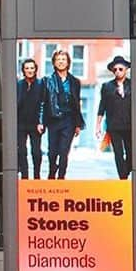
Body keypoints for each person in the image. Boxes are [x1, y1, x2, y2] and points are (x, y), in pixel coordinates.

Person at [44, 48, 83, 179]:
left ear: (68, 62)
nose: (61, 62)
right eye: (58, 60)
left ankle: (61, 177)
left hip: (69, 120)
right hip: (53, 119)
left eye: (63, 59)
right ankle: (51, 173)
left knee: (64, 151)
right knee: (52, 152)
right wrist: (41, 122)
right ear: (54, 63)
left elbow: (77, 103)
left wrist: (78, 124)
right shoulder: (47, 80)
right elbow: (44, 103)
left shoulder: (75, 82)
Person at [95, 54, 132, 180]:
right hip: (114, 125)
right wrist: (98, 126)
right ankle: (122, 178)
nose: (117, 72)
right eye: (115, 69)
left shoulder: (133, 85)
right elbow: (102, 106)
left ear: (126, 69)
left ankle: (126, 171)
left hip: (130, 124)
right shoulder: (107, 86)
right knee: (118, 153)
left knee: (131, 152)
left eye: (120, 69)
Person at [16, 58, 46, 179]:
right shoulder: (18, 85)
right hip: (20, 123)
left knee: (36, 152)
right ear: (23, 70)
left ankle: (37, 176)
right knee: (22, 151)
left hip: (35, 124)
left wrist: (41, 122)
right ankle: (24, 176)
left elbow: (44, 104)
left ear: (35, 70)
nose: (29, 70)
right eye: (27, 68)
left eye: (32, 68)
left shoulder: (41, 84)